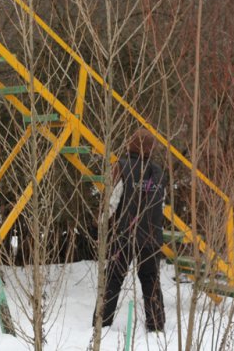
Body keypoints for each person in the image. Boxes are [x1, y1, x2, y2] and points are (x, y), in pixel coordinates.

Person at [94, 127, 167, 332]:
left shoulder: (122, 167)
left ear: (130, 145)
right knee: (151, 281)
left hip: (125, 235)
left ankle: (102, 323)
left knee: (113, 279)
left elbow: (112, 201)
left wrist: (100, 222)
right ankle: (156, 325)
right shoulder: (159, 172)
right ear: (150, 149)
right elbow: (161, 205)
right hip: (152, 236)